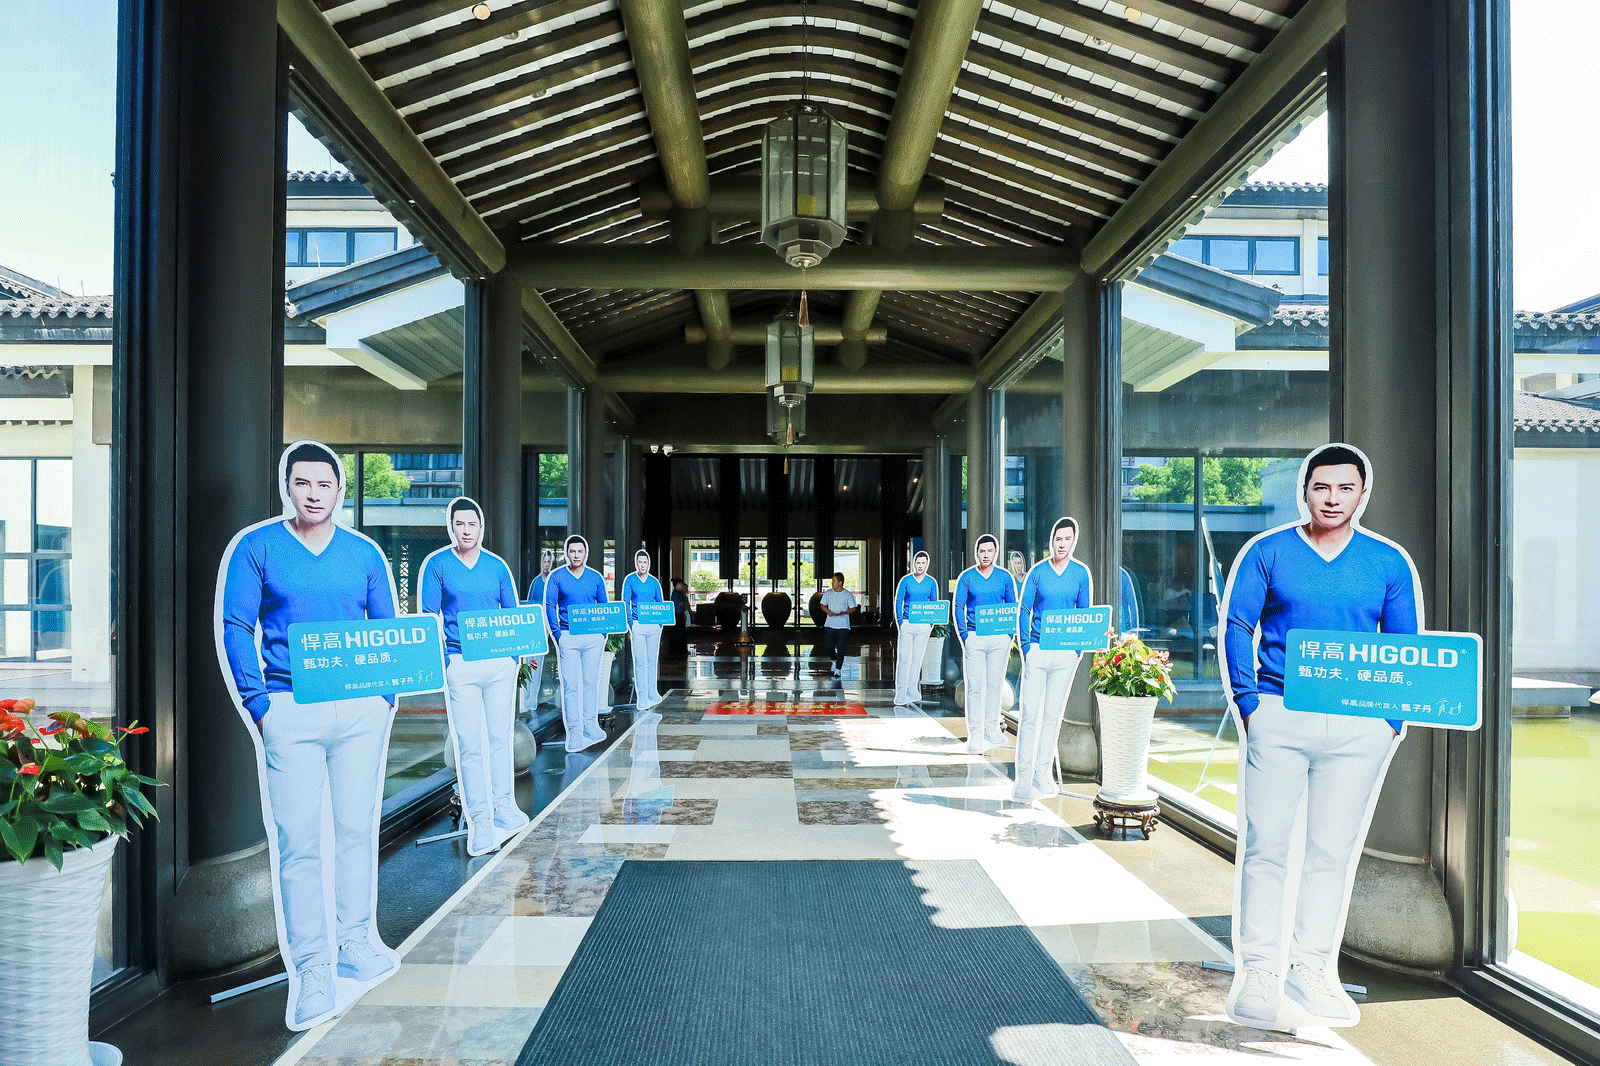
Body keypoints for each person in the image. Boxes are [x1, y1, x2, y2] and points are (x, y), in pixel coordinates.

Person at [1221, 443, 1418, 1031]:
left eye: (1345, 488)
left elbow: (1403, 648)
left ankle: (1311, 969)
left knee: (1332, 851)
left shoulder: (1387, 563)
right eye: (1321, 487)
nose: (1332, 499)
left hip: (1358, 725)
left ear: (1363, 495)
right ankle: (1260, 971)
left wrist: (1388, 723)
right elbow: (1238, 623)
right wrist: (1251, 706)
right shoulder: (1268, 552)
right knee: (1267, 847)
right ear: (1304, 491)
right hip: (1279, 713)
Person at [217, 440, 399, 1029]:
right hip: (289, 710)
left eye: (325, 484)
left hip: (359, 710)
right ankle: (313, 968)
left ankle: (354, 940)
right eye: (303, 483)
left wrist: (384, 697)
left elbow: (387, 628)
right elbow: (236, 625)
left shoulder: (363, 554)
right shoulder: (259, 548)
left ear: (339, 490)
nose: (314, 494)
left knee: (355, 829)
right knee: (299, 843)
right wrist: (259, 705)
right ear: (287, 487)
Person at [419, 498, 528, 856]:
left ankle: (503, 806)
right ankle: (480, 819)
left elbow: (512, 614)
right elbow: (429, 616)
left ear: (481, 527)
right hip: (461, 663)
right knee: (469, 745)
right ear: (451, 526)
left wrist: (512, 659)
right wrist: (446, 663)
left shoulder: (496, 567)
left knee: (500, 738)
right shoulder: (438, 565)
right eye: (459, 524)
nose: (466, 531)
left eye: (472, 524)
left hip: (498, 664)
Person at [1014, 517, 1092, 803]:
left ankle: (1042, 773)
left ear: (1074, 541)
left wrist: (1076, 651)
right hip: (1038, 650)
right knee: (1030, 715)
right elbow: (1024, 610)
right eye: (1058, 539)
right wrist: (1026, 647)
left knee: (1052, 717)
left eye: (1067, 539)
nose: (1062, 544)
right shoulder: (1038, 572)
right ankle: (1023, 777)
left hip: (1065, 654)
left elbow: (1083, 613)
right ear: (1052, 541)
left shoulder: (1080, 574)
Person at [953, 533, 1019, 754]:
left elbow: (1012, 606)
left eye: (990, 550)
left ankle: (992, 729)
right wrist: (965, 635)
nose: (986, 555)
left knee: (995, 685)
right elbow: (958, 606)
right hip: (975, 636)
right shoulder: (967, 577)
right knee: (974, 687)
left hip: (1000, 638)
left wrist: (1009, 635)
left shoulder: (1005, 577)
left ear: (996, 552)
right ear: (977, 553)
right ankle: (976, 734)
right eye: (982, 551)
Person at [545, 534, 611, 752]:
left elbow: (604, 606)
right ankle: (574, 731)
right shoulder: (557, 577)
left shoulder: (595, 578)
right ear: (566, 553)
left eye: (579, 551)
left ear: (585, 553)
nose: (576, 555)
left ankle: (590, 726)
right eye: (572, 551)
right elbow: (549, 605)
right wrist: (557, 634)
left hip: (593, 637)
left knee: (591, 683)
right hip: (568, 636)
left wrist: (602, 634)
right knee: (571, 686)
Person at [893, 551, 940, 706]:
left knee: (916, 658)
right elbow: (899, 600)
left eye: (923, 563)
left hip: (923, 625)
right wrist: (900, 621)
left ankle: (912, 689)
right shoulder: (906, 581)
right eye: (918, 563)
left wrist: (930, 623)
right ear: (914, 564)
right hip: (908, 622)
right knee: (904, 658)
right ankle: (901, 693)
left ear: (927, 564)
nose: (920, 566)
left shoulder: (931, 582)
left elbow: (934, 603)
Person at [622, 549, 665, 712]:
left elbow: (660, 603)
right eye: (640, 562)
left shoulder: (654, 582)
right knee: (640, 661)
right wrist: (630, 622)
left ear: (648, 564)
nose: (642, 565)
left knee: (652, 659)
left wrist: (659, 624)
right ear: (636, 563)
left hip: (653, 625)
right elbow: (626, 601)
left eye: (645, 562)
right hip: (637, 624)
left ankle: (652, 692)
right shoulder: (630, 580)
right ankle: (642, 697)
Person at [522, 549, 555, 714]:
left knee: (539, 662)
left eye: (549, 562)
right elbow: (529, 603)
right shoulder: (535, 582)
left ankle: (533, 700)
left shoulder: (554, 581)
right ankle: (527, 699)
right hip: (536, 625)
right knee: (531, 661)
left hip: (549, 624)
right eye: (544, 561)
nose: (546, 565)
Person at [818, 572, 856, 677]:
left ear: (840, 582)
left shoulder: (847, 594)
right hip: (830, 624)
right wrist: (828, 611)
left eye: (834, 581)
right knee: (828, 646)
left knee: (841, 647)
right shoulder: (828, 593)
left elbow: (853, 608)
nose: (832, 583)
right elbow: (822, 605)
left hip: (843, 625)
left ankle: (838, 669)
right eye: (832, 581)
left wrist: (844, 612)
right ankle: (834, 659)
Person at [670, 578, 691, 655]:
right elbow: (680, 603)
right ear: (678, 584)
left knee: (680, 632)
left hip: (679, 614)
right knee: (679, 632)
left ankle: (680, 650)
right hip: (678, 614)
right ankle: (679, 650)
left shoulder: (678, 592)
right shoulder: (676, 593)